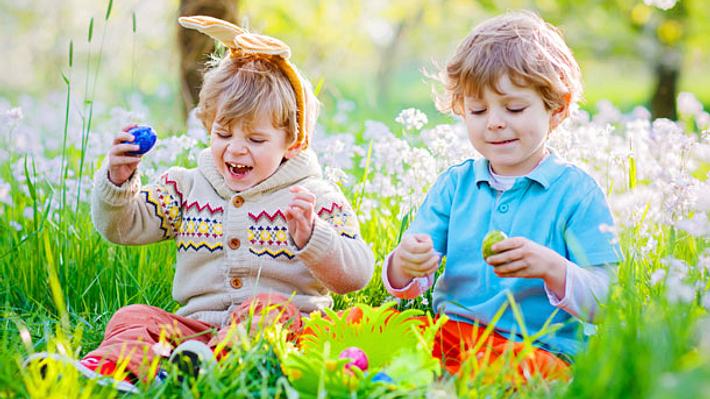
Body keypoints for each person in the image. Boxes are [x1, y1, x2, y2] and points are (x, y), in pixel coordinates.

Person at [25, 16, 374, 393]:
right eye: (223, 133)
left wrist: (313, 237)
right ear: (208, 126)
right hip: (195, 330)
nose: (236, 148)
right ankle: (109, 370)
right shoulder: (187, 187)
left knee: (270, 312)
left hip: (283, 334)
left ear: (294, 141)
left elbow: (355, 275)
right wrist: (119, 181)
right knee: (134, 317)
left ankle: (214, 366)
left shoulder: (313, 199)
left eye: (256, 139)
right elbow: (121, 227)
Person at [383, 10, 620, 381]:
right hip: (454, 334)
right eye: (478, 110)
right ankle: (440, 377)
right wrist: (406, 261)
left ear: (556, 108)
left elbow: (605, 302)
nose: (494, 121)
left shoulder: (577, 194)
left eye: (513, 108)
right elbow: (408, 281)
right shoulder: (454, 186)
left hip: (535, 349)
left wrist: (551, 267)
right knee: (377, 329)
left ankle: (442, 381)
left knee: (538, 376)